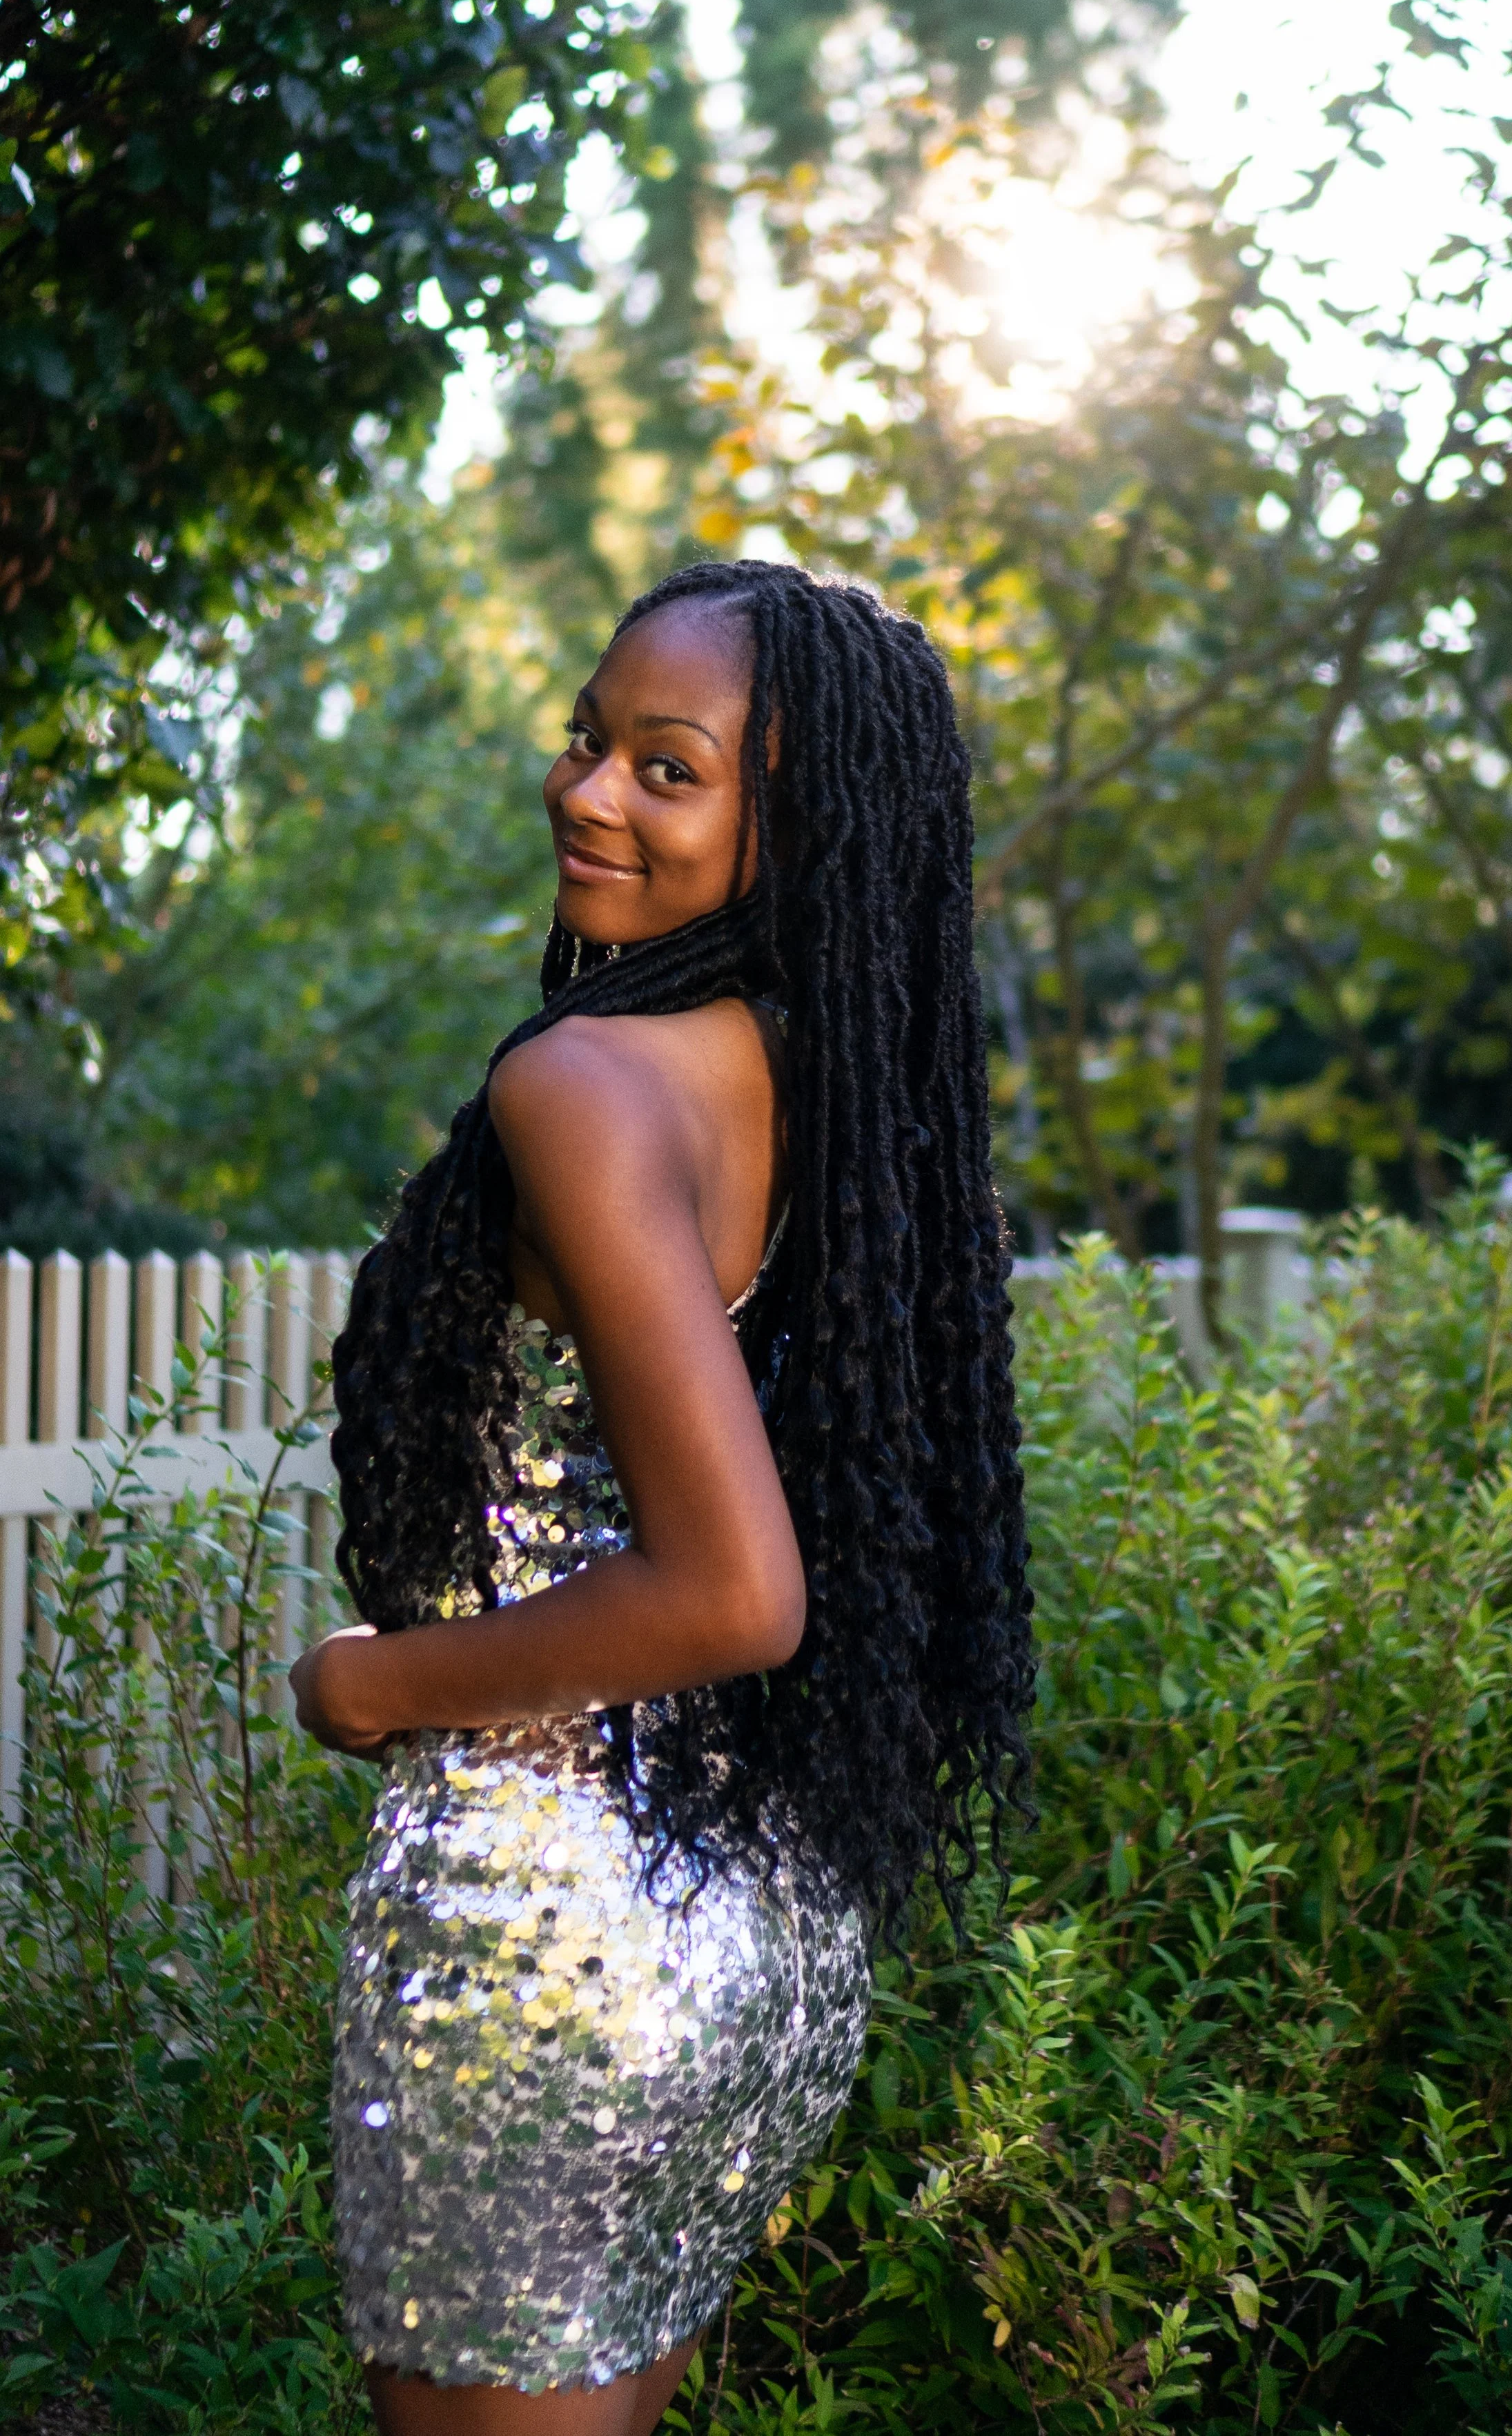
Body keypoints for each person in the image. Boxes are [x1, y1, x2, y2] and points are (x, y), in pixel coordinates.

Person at [289, 558, 1034, 2436]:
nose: (586, 792)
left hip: (541, 1925)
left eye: (666, 768)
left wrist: (371, 1685)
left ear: (793, 827)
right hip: (752, 1919)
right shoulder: (805, 1090)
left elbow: (732, 1588)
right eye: (586, 741)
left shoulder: (587, 1084)